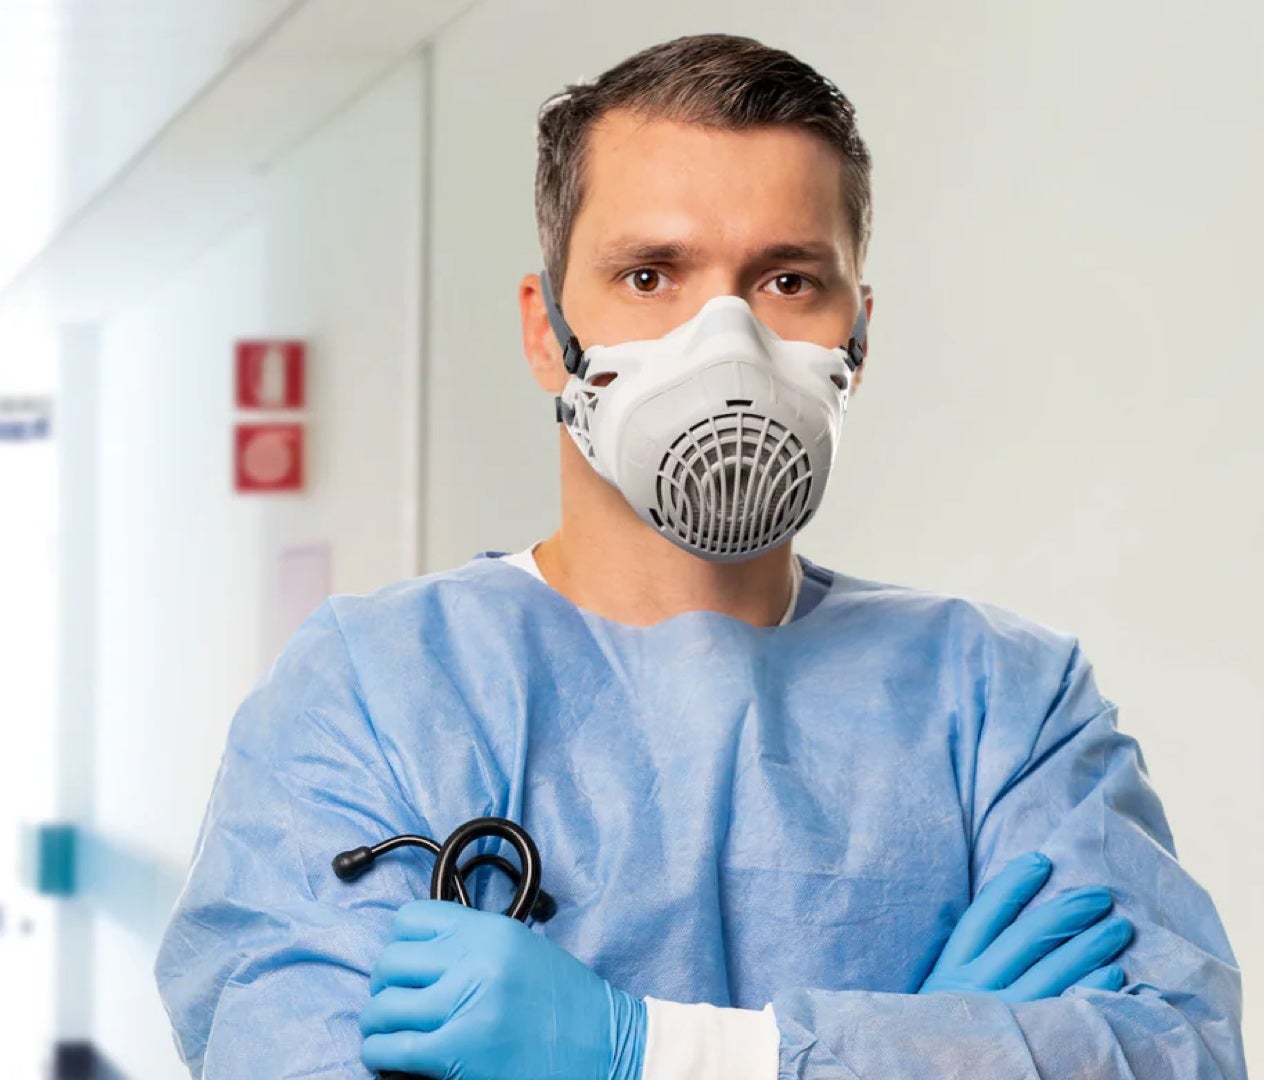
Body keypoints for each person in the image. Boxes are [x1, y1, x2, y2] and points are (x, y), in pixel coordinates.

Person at [155, 34, 1243, 1080]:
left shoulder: (1007, 705)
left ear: (856, 337)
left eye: (785, 282)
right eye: (649, 277)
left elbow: (1178, 1056)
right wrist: (926, 1047)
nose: (725, 346)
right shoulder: (372, 694)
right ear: (549, 335)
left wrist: (656, 1053)